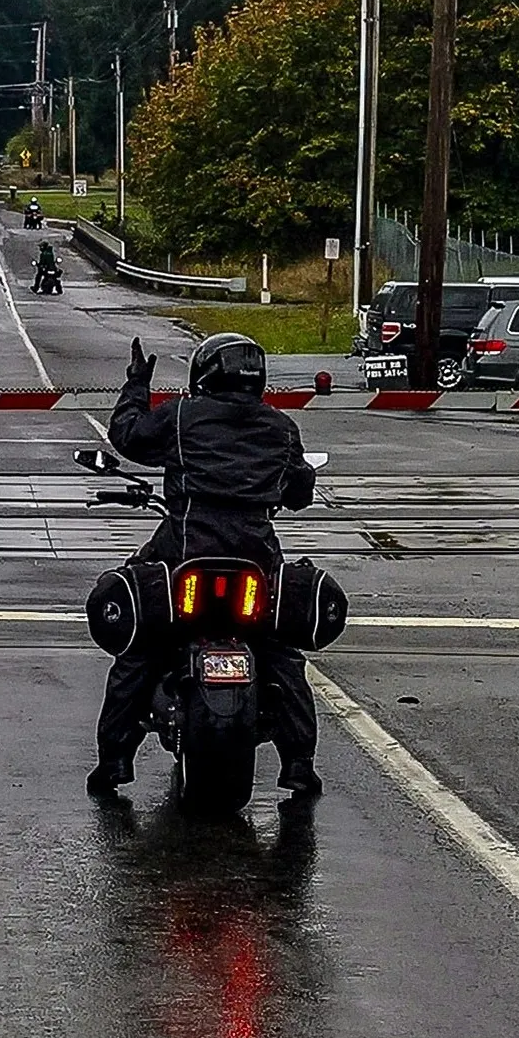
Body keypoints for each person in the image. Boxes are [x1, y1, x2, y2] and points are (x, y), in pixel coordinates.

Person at [90, 331, 320, 800]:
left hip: (183, 553)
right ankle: (299, 765)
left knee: (140, 645)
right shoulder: (280, 428)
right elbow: (299, 492)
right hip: (256, 558)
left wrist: (136, 384)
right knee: (282, 654)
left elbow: (127, 435)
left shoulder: (181, 418)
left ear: (205, 373)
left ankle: (114, 760)